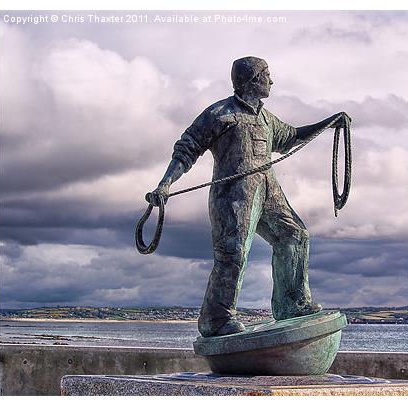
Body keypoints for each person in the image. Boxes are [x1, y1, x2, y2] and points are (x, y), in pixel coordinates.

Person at [147, 56, 351, 337]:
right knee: (233, 253)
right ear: (253, 80)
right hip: (233, 195)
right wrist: (165, 184)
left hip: (268, 189)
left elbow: (291, 137)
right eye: (267, 75)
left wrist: (330, 122)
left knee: (295, 236)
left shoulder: (267, 118)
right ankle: (216, 320)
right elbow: (187, 148)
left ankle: (292, 304)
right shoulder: (219, 113)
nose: (272, 80)